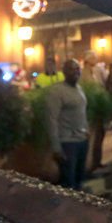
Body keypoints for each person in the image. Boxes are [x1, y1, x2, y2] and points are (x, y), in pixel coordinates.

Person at [46, 59, 89, 190]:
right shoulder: (56, 92)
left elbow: (82, 111)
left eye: (78, 68)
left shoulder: (79, 88)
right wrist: (56, 148)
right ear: (64, 72)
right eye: (72, 69)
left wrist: (86, 130)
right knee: (68, 184)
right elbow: (51, 120)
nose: (76, 71)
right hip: (67, 143)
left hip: (82, 140)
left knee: (79, 180)